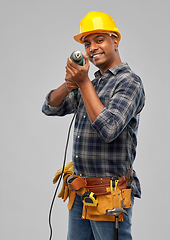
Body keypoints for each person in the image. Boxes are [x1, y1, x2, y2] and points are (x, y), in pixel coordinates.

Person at [42, 11, 145, 240]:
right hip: (79, 193)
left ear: (115, 40)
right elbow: (50, 107)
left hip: (109, 196)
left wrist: (83, 81)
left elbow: (109, 129)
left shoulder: (129, 82)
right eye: (87, 43)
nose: (92, 48)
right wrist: (69, 84)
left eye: (99, 40)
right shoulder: (91, 83)